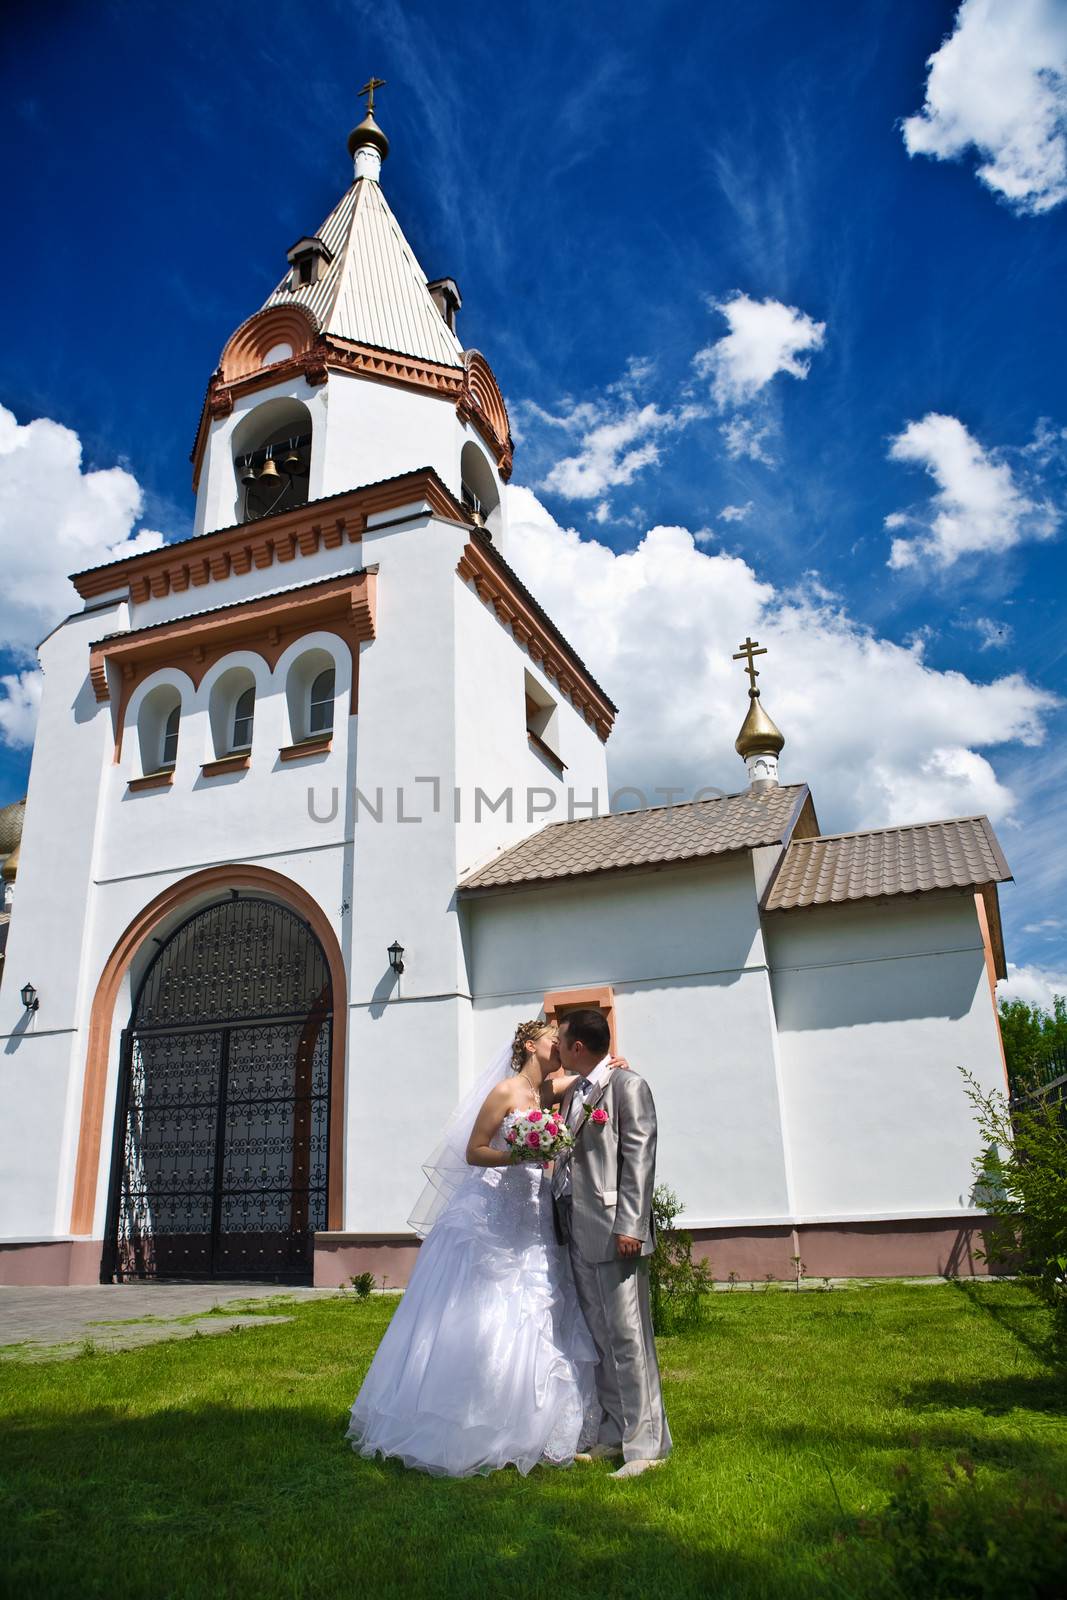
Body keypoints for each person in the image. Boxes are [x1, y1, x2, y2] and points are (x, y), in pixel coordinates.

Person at [346, 1021, 624, 1477]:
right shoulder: (506, 1091)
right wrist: (518, 1156)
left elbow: (591, 1074)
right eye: (553, 1040)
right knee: (493, 1304)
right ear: (531, 1045)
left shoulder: (545, 1093)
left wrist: (614, 1065)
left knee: (543, 1304)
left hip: (535, 1214)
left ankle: (542, 1424)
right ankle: (473, 1422)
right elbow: (475, 1151)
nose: (561, 1046)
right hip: (498, 1209)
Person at [552, 1009, 672, 1478]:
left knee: (629, 1337)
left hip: (615, 1230)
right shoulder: (576, 1093)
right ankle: (613, 1432)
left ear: (578, 1046)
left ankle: (646, 1447)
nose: (558, 1049)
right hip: (577, 1229)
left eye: (562, 1042)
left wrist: (632, 1225)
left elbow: (639, 1158)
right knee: (600, 1337)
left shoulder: (628, 1087)